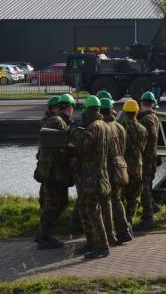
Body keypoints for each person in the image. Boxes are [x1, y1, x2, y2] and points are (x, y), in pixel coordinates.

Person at [68, 95, 111, 259]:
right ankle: (92, 242)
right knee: (87, 209)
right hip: (96, 174)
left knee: (93, 211)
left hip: (93, 176)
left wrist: (71, 132)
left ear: (88, 110)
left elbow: (84, 142)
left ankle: (102, 246)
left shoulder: (94, 126)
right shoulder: (104, 124)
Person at [33, 93, 73, 249]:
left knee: (55, 202)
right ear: (67, 108)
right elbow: (63, 146)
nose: (71, 111)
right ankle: (44, 237)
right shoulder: (57, 121)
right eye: (71, 107)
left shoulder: (55, 121)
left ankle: (42, 234)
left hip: (51, 170)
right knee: (54, 204)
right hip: (53, 172)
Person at [100, 98, 132, 245]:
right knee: (117, 199)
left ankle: (109, 234)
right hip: (120, 166)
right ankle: (124, 231)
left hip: (107, 167)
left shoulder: (103, 127)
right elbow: (124, 147)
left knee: (106, 202)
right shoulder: (120, 126)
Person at [118, 99, 146, 227]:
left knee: (120, 195)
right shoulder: (142, 129)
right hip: (137, 166)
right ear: (136, 111)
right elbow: (143, 148)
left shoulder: (119, 127)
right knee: (134, 196)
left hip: (122, 167)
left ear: (124, 111)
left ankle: (119, 222)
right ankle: (129, 220)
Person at [135, 91, 159, 231]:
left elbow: (147, 139)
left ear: (141, 104)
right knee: (147, 186)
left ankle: (148, 218)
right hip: (152, 157)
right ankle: (152, 206)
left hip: (146, 158)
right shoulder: (154, 117)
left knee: (144, 187)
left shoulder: (145, 120)